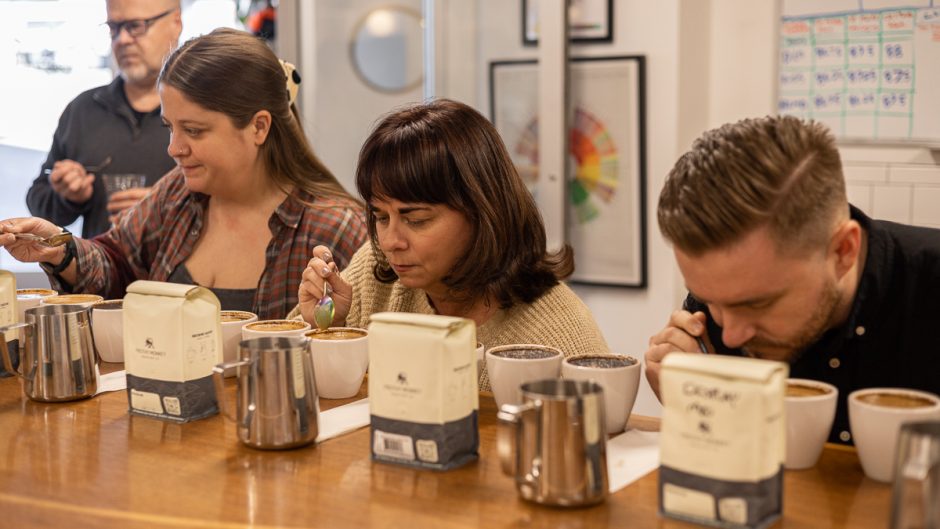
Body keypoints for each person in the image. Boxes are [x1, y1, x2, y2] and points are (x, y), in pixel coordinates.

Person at [1, 28, 368, 319]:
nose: (174, 148)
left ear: (258, 127)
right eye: (169, 127)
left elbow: (354, 353)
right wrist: (58, 248)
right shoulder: (178, 193)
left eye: (194, 130)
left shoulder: (334, 227)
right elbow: (116, 267)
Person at [645, 115, 940, 444]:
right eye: (709, 301)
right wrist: (698, 404)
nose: (730, 335)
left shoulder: (928, 284)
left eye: (758, 303)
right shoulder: (724, 296)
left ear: (843, 250)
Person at [287, 98, 611, 390]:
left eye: (416, 219)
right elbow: (284, 380)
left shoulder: (557, 332)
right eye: (381, 217)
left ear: (482, 212)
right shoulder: (376, 271)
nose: (390, 241)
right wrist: (324, 327)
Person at [26, 0, 183, 238]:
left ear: (176, 23)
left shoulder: (203, 112)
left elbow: (237, 206)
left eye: (136, 26)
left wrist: (168, 208)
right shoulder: (83, 110)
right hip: (101, 270)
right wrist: (68, 197)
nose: (122, 40)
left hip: (178, 274)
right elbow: (40, 205)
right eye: (114, 28)